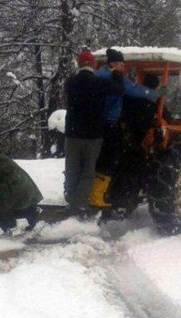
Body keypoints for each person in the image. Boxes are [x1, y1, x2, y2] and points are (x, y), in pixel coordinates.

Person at [91, 48, 167, 207]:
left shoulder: (96, 75)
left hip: (93, 123)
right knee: (109, 157)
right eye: (120, 64)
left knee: (96, 157)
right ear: (113, 64)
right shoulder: (114, 77)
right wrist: (155, 94)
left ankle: (87, 192)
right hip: (109, 122)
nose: (123, 68)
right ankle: (98, 195)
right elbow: (134, 89)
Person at [63, 49, 124, 216]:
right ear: (94, 64)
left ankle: (70, 198)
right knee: (88, 170)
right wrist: (117, 74)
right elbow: (118, 90)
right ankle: (81, 204)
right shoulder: (98, 83)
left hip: (72, 134)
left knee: (72, 168)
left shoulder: (70, 83)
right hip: (93, 135)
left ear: (79, 63)